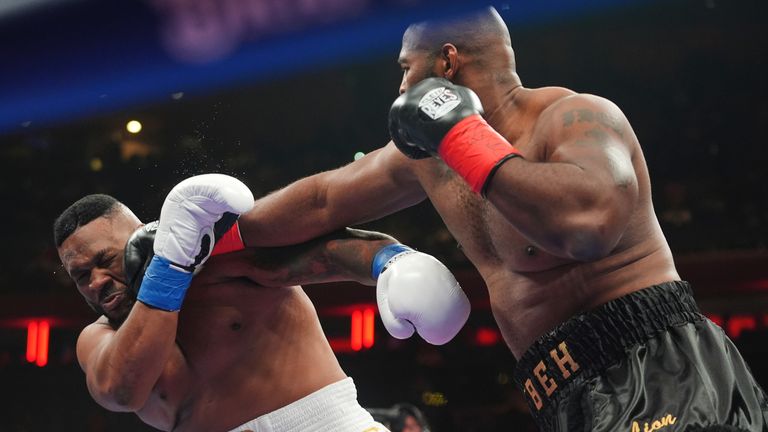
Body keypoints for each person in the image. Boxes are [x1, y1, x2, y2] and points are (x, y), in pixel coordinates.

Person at [236, 8, 768, 431]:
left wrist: (461, 137)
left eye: (405, 68)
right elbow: (324, 200)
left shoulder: (574, 117)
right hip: (558, 393)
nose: (400, 89)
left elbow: (588, 225)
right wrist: (219, 233)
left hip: (657, 366)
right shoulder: (429, 159)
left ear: (447, 63)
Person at [54, 174, 470, 432]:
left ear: (140, 235)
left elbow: (321, 236)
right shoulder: (98, 341)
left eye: (105, 260)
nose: (97, 282)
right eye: (80, 276)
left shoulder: (219, 263)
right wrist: (168, 269)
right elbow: (122, 391)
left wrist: (388, 261)